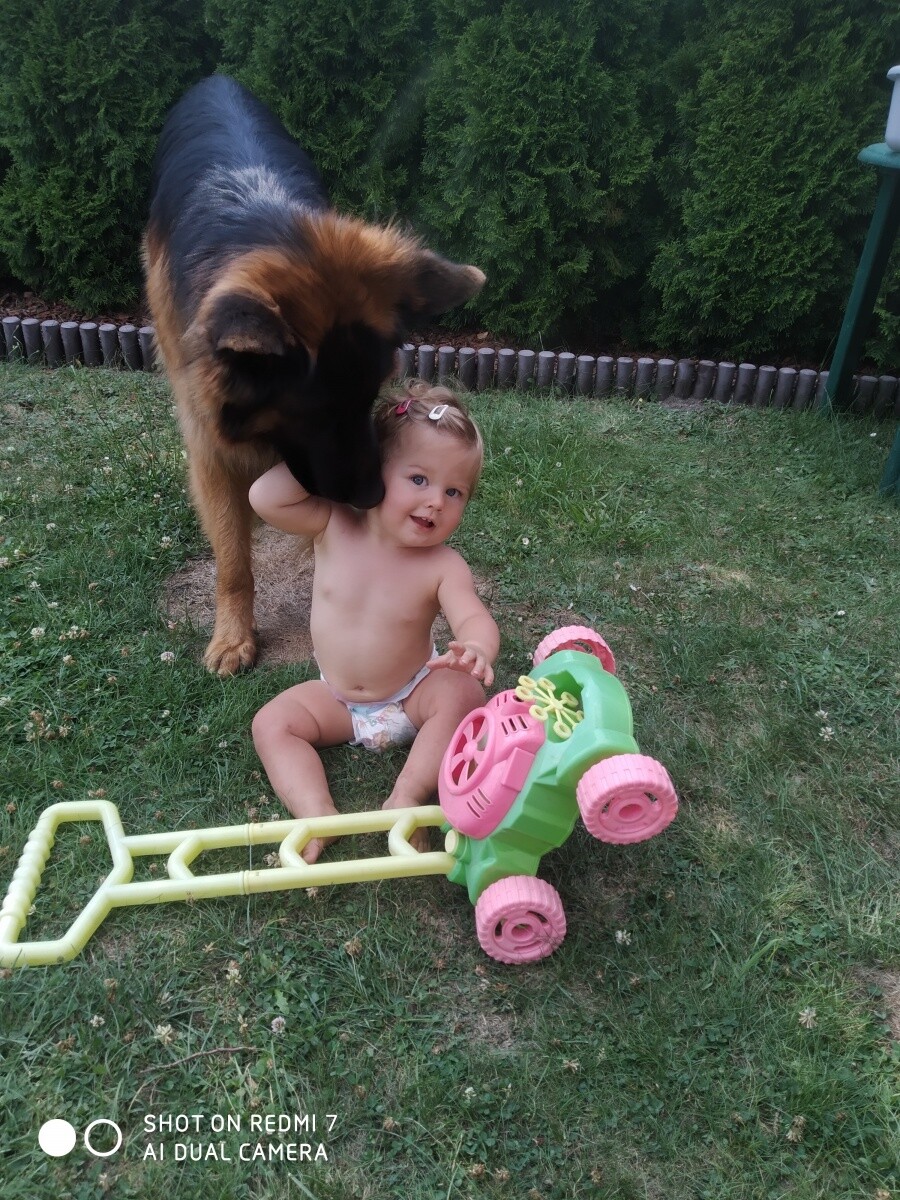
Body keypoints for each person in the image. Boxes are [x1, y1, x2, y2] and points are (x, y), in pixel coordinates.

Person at [250, 382, 500, 862]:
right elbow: (266, 496)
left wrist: (476, 646)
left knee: (463, 695)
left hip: (410, 696)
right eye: (419, 480)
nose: (436, 502)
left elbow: (474, 617)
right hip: (337, 701)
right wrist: (331, 452)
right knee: (272, 723)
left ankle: (407, 797)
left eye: (455, 491)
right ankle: (316, 812)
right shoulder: (332, 522)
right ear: (373, 468)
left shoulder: (443, 565)